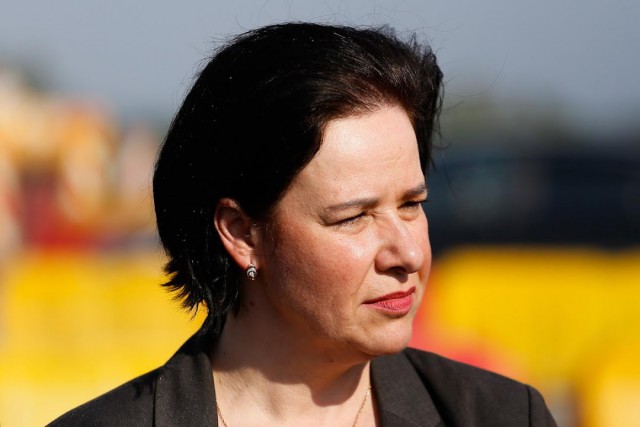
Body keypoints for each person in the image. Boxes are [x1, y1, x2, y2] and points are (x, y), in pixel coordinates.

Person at [49, 22, 556, 426]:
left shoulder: (501, 415)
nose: (408, 254)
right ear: (242, 233)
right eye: (353, 217)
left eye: (411, 204)